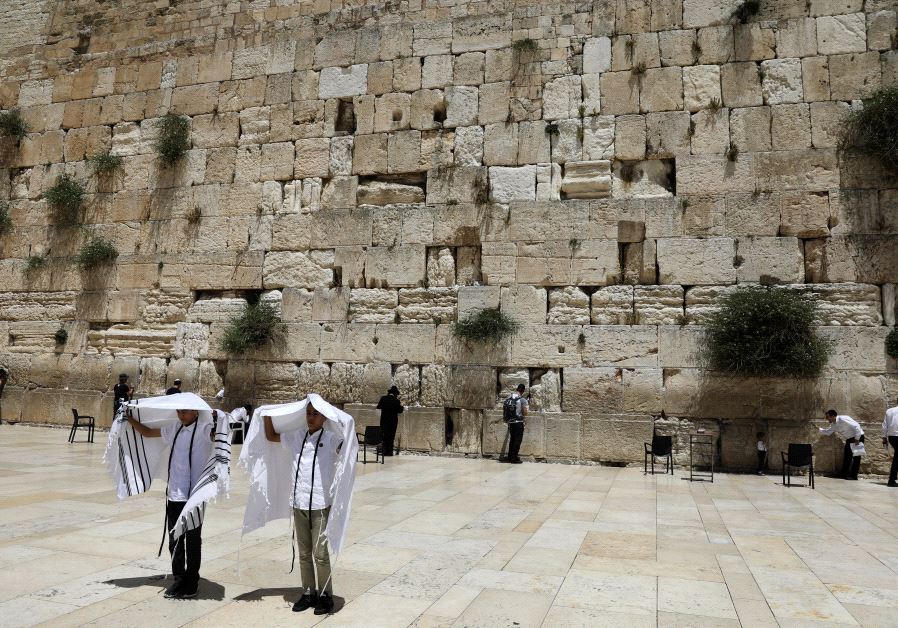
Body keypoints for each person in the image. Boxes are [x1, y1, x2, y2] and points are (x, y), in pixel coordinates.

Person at [126, 407, 214, 599]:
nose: (181, 415)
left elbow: (222, 435)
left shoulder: (205, 429)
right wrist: (129, 419)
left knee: (192, 539)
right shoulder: (174, 428)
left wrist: (220, 418)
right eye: (179, 411)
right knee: (175, 538)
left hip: (195, 495)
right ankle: (178, 579)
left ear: (196, 412)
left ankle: (192, 581)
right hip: (175, 493)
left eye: (185, 412)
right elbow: (149, 433)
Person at [263, 403, 343, 615]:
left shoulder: (331, 439)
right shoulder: (297, 436)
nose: (310, 417)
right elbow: (271, 435)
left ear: (324, 417)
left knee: (320, 554)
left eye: (315, 414)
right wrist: (266, 413)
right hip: (299, 503)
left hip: (319, 504)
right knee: (304, 553)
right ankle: (308, 593)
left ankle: (326, 595)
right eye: (308, 413)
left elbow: (348, 446)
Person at [819, 410, 865, 480]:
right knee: (847, 456)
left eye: (828, 417)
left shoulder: (843, 418)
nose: (827, 419)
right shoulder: (834, 424)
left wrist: (857, 438)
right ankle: (844, 474)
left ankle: (854, 475)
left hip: (857, 437)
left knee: (856, 457)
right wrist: (819, 430)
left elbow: (856, 426)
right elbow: (828, 432)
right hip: (849, 438)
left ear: (833, 416)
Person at [501, 384, 529, 464]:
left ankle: (510, 456)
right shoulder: (522, 399)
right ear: (523, 391)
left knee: (512, 439)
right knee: (517, 440)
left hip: (510, 422)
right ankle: (514, 458)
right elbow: (525, 413)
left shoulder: (509, 397)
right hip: (518, 423)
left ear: (517, 389)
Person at [376, 386, 404, 457]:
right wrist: (402, 406)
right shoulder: (396, 401)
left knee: (384, 436)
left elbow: (378, 407)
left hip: (384, 421)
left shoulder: (383, 398)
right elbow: (400, 410)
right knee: (391, 436)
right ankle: (389, 452)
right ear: (395, 394)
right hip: (392, 422)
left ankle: (384, 451)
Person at [882, 399, 898, 487]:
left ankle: (892, 479)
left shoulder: (889, 411)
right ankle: (891, 480)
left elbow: (885, 425)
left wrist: (884, 437)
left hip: (892, 437)